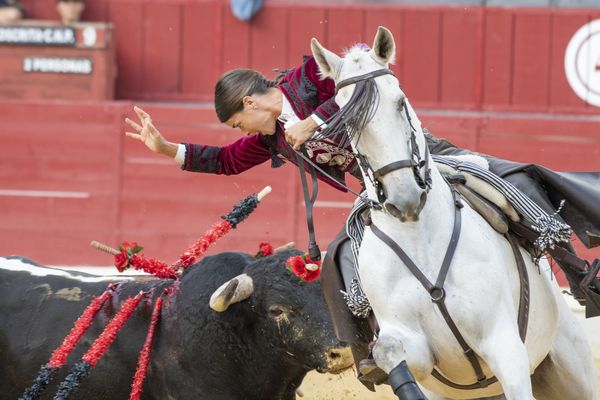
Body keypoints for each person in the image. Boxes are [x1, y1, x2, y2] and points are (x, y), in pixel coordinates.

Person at [126, 50, 600, 386]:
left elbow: (368, 82)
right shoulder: (272, 136)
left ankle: (581, 276)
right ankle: (368, 349)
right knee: (339, 257)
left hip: (418, 158)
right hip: (374, 188)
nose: (241, 132)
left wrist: (316, 119)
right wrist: (168, 149)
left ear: (249, 102)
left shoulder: (311, 75)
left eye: (237, 123)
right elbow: (226, 160)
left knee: (506, 181)